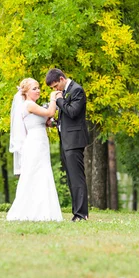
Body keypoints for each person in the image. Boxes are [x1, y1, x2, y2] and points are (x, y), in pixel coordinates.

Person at [7, 78, 63, 221]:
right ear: (25, 92)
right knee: (34, 174)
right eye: (34, 88)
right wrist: (53, 98)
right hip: (34, 144)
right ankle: (28, 211)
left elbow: (45, 120)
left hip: (41, 142)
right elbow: (50, 112)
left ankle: (44, 211)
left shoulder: (33, 106)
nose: (38, 90)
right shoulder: (28, 105)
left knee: (42, 173)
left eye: (38, 88)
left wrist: (50, 123)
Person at [45, 68, 89, 222]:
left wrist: (58, 100)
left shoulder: (77, 90)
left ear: (62, 79)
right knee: (71, 177)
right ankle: (76, 212)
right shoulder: (64, 92)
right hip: (66, 139)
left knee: (77, 178)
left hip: (75, 140)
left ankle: (81, 214)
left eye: (55, 86)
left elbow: (73, 112)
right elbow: (67, 118)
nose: (55, 89)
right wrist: (55, 123)